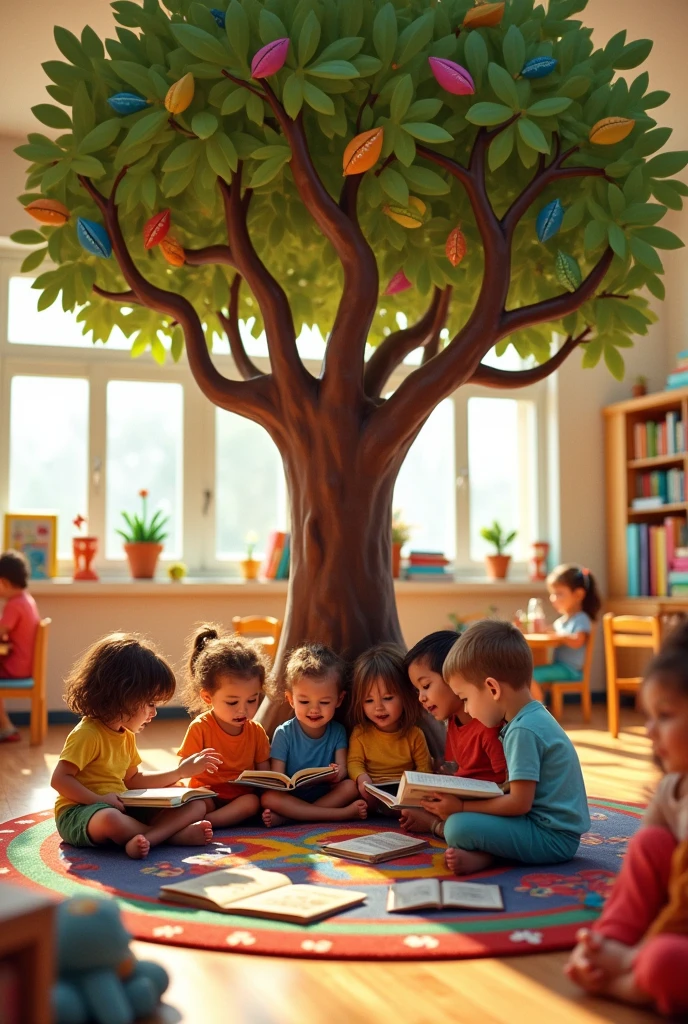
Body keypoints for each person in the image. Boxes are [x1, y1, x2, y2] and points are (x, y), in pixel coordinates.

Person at [566, 627, 688, 1016]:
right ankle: (605, 947)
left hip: (674, 939)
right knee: (651, 844)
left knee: (664, 962)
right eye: (648, 716)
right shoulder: (675, 787)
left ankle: (629, 982)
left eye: (665, 716)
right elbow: (642, 865)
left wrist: (631, 959)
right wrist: (605, 944)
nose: (649, 730)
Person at [420, 620, 590, 875]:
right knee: (465, 821)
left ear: (492, 688)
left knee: (457, 826)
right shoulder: (530, 718)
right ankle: (488, 855)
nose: (466, 709)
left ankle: (489, 856)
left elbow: (519, 803)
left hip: (552, 839)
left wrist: (462, 807)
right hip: (539, 826)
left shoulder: (522, 730)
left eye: (465, 698)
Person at [51, 632, 221, 859]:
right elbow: (60, 780)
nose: (154, 713)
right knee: (110, 819)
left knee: (195, 805)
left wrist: (180, 772)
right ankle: (173, 836)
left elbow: (133, 780)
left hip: (120, 805)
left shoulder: (126, 735)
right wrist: (100, 800)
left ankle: (151, 837)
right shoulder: (88, 733)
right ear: (125, 695)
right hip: (81, 811)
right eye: (150, 703)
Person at [399, 630, 507, 835]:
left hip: (488, 807)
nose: (421, 697)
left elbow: (507, 788)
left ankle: (437, 828)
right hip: (465, 800)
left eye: (426, 686)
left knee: (460, 827)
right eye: (417, 690)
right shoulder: (453, 722)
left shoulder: (487, 725)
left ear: (455, 677)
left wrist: (457, 806)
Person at [261, 642, 367, 827]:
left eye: (324, 702)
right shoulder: (284, 733)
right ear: (290, 699)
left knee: (350, 787)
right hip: (291, 798)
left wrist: (334, 773)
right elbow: (278, 778)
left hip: (325, 794)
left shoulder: (337, 731)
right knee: (268, 798)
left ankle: (291, 819)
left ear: (339, 699)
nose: (314, 710)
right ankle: (339, 815)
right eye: (304, 701)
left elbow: (343, 770)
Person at [176, 624, 271, 828]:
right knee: (197, 803)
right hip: (207, 796)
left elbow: (264, 775)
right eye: (232, 702)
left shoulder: (256, 731)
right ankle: (204, 819)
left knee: (252, 802)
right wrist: (193, 766)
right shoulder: (200, 727)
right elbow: (183, 769)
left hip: (240, 800)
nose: (243, 711)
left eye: (252, 700)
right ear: (207, 697)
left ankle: (207, 824)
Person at [347, 643, 431, 810]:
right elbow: (354, 762)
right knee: (349, 791)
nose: (378, 707)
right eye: (369, 700)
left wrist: (414, 790)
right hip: (371, 792)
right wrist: (362, 779)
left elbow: (424, 769)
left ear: (405, 696)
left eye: (388, 698)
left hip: (403, 794)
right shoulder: (360, 733)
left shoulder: (414, 735)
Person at [532, 564, 601, 691]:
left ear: (578, 595)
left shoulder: (581, 619)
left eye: (559, 594)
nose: (553, 598)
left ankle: (539, 709)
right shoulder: (561, 621)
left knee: (531, 676)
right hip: (559, 666)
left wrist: (562, 637)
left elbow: (578, 641)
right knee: (531, 670)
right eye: (552, 594)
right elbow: (549, 632)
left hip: (570, 669)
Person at [0, 550, 40, 742]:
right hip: (24, 664)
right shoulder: (26, 600)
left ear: (4, 582)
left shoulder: (13, 605)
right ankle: (5, 725)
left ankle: (5, 726)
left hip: (15, 667)